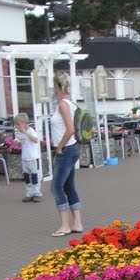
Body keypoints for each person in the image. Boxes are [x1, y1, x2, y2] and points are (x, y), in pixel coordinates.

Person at [49, 70, 83, 236]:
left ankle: (65, 225)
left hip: (67, 149)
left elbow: (69, 129)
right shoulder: (71, 103)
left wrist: (59, 147)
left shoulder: (63, 104)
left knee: (56, 187)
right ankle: (77, 222)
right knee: (69, 185)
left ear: (57, 86)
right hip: (73, 148)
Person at [14, 113, 43, 203]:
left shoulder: (31, 131)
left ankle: (37, 193)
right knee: (27, 177)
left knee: (34, 176)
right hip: (25, 158)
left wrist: (25, 133)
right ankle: (29, 194)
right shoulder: (19, 133)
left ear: (24, 123)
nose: (17, 126)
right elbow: (18, 141)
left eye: (18, 124)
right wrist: (16, 142)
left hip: (33, 158)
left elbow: (35, 140)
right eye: (16, 124)